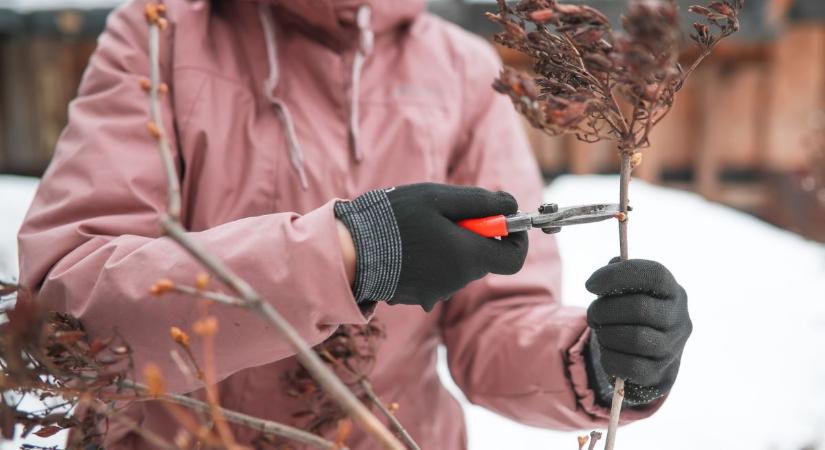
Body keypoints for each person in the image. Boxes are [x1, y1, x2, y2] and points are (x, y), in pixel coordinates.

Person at [17, 0, 692, 448]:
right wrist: (353, 252)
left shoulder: (461, 72)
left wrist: (596, 361)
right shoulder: (163, 35)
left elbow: (497, 319)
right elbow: (64, 311)